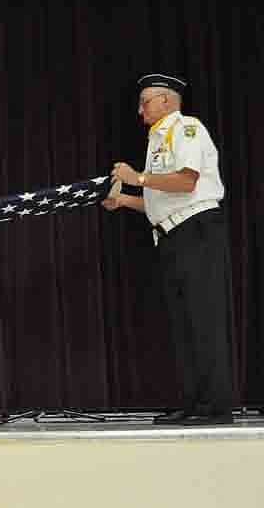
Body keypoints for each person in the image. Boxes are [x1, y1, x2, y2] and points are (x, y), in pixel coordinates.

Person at [103, 73, 233, 425]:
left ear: (166, 100)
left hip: (197, 232)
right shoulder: (156, 140)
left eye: (145, 101)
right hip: (172, 235)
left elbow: (187, 181)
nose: (140, 109)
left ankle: (216, 407)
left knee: (204, 320)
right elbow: (161, 200)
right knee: (184, 324)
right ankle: (193, 402)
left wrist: (138, 178)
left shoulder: (186, 127)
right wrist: (124, 200)